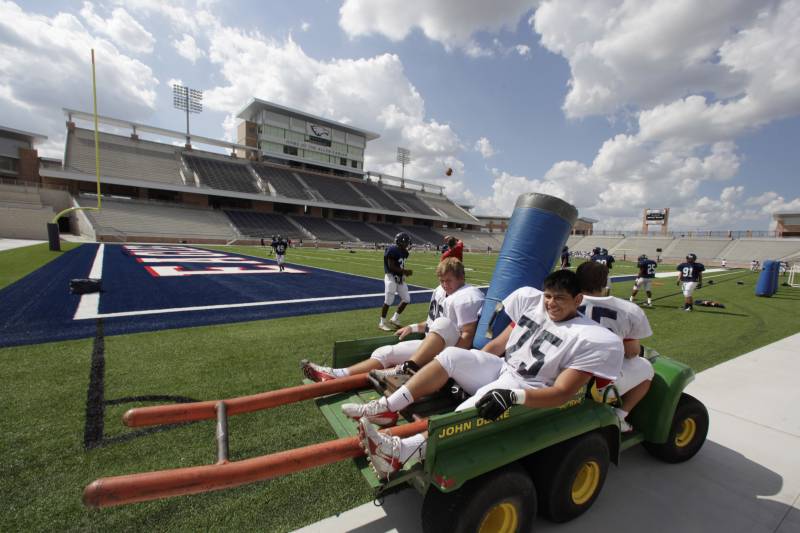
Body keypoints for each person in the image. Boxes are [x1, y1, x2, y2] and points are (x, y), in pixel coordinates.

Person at [346, 270, 623, 479]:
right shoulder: (532, 303)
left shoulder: (591, 336)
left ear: (578, 299)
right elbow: (497, 346)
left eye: (560, 299)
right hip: (503, 367)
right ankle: (386, 408)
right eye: (548, 296)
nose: (551, 303)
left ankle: (400, 452)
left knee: (483, 397)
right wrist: (470, 366)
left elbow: (563, 393)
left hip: (529, 387)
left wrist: (513, 395)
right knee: (452, 356)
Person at [301, 258, 484, 382]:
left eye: (449, 280)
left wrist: (443, 362)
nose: (445, 285)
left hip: (448, 351)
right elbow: (432, 324)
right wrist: (412, 328)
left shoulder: (468, 296)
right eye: (442, 280)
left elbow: (466, 336)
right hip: (432, 343)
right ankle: (337, 374)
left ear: (461, 277)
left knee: (441, 326)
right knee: (385, 352)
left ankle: (406, 369)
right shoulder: (441, 291)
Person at [577, 262, 654, 432]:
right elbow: (632, 352)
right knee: (646, 367)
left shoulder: (558, 303)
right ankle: (619, 416)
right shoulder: (629, 310)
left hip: (560, 373)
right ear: (605, 283)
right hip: (596, 383)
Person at [379, 233, 413, 331]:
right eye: (406, 242)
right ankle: (381, 323)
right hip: (391, 276)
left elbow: (400, 264)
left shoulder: (404, 252)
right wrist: (405, 271)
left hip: (399, 277)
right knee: (389, 300)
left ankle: (394, 318)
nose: (407, 244)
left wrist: (403, 273)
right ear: (401, 242)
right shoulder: (392, 249)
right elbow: (391, 266)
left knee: (406, 299)